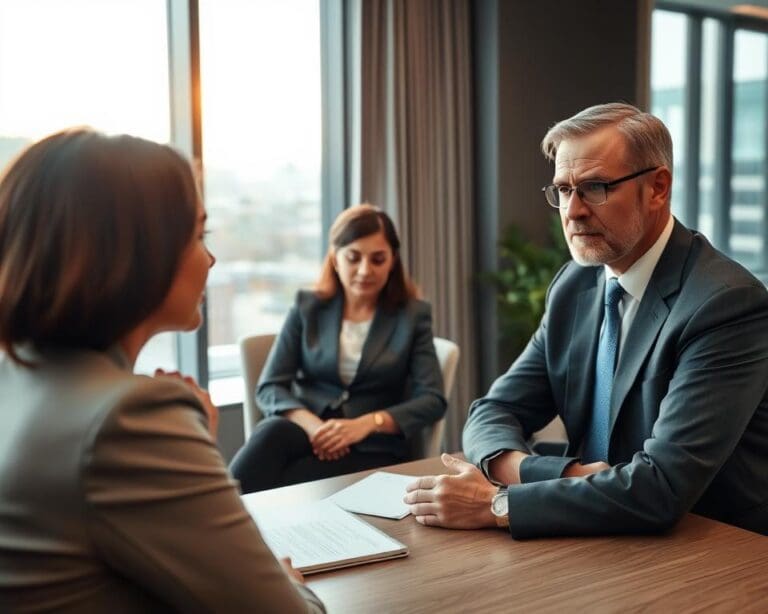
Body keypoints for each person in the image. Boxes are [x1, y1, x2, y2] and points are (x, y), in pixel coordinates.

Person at [404, 102, 768, 538]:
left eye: (595, 187)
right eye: (563, 190)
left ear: (657, 188)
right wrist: (563, 473)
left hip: (711, 546)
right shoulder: (574, 285)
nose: (573, 211)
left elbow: (660, 488)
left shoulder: (725, 304)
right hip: (593, 533)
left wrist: (497, 503)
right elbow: (493, 411)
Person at [0, 129, 324, 612]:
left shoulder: (15, 378)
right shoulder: (131, 418)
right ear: (134, 253)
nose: (211, 259)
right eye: (198, 235)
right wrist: (287, 580)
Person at [230, 204, 446, 493]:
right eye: (353, 258)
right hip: (310, 432)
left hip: (372, 447)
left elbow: (432, 399)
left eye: (378, 259)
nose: (365, 270)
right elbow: (270, 387)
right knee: (271, 433)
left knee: (285, 481)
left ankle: (222, 517)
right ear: (335, 258)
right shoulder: (307, 307)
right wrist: (316, 428)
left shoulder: (412, 316)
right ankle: (212, 509)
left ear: (393, 260)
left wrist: (366, 424)